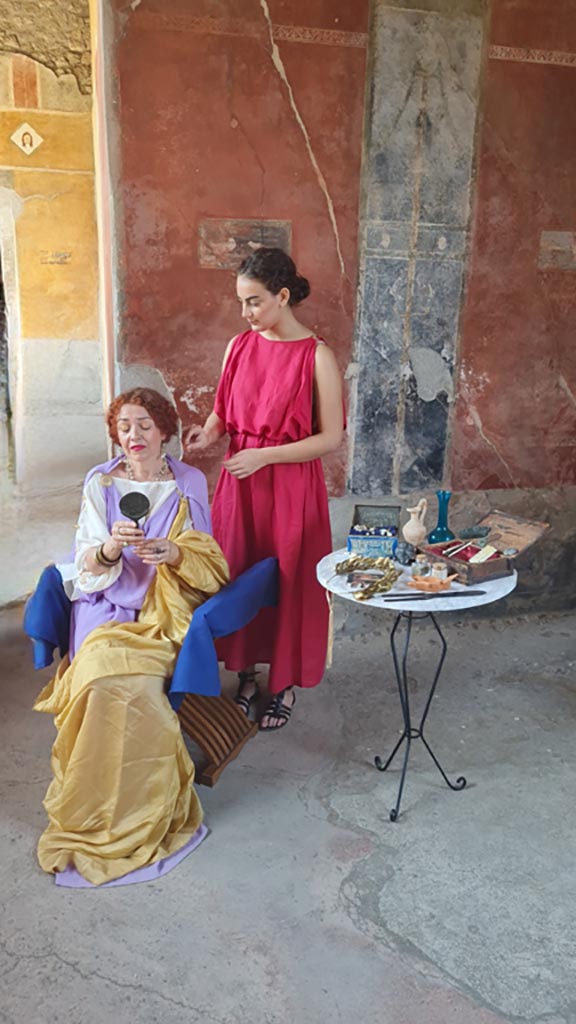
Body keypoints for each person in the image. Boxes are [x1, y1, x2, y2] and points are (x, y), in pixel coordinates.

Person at [33, 387, 229, 887]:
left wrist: (175, 553)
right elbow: (85, 565)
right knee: (99, 683)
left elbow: (210, 565)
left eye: (144, 424)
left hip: (162, 613)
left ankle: (145, 813)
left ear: (164, 429)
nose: (133, 436)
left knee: (137, 691)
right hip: (102, 609)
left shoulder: (189, 483)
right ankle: (91, 810)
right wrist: (109, 552)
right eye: (123, 426)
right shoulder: (100, 482)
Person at [184, 247, 344, 731]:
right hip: (241, 481)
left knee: (290, 580)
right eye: (241, 302)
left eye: (253, 301)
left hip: (290, 485)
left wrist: (265, 456)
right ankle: (246, 676)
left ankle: (284, 684)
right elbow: (224, 412)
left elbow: (331, 437)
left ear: (282, 295)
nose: (245, 313)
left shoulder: (317, 356)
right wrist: (208, 433)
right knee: (235, 574)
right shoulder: (239, 347)